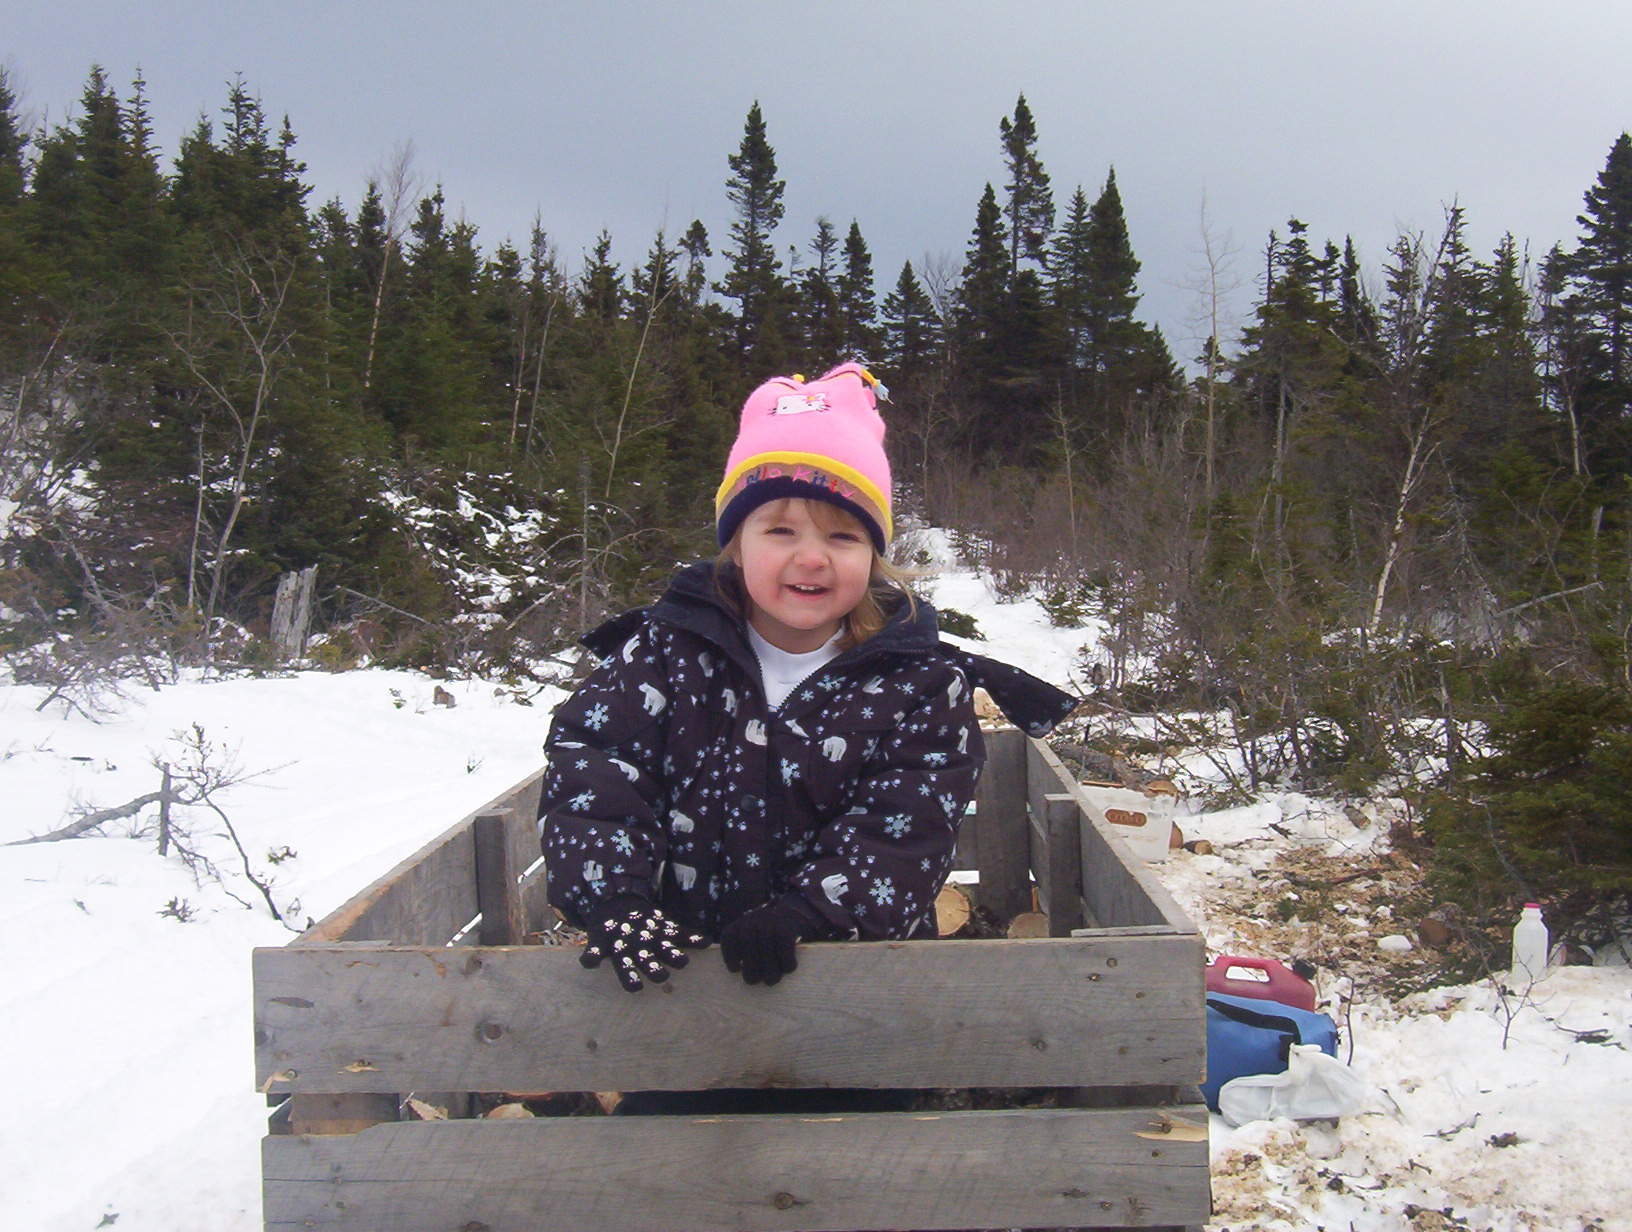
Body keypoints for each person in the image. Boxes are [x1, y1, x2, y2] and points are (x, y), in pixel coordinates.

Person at [539, 362, 1075, 993]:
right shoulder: (664, 655)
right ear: (738, 544)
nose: (812, 557)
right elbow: (597, 771)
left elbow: (910, 824)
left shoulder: (920, 684)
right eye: (781, 530)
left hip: (857, 985)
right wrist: (615, 899)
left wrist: (811, 912)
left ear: (873, 557)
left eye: (843, 536)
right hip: (680, 980)